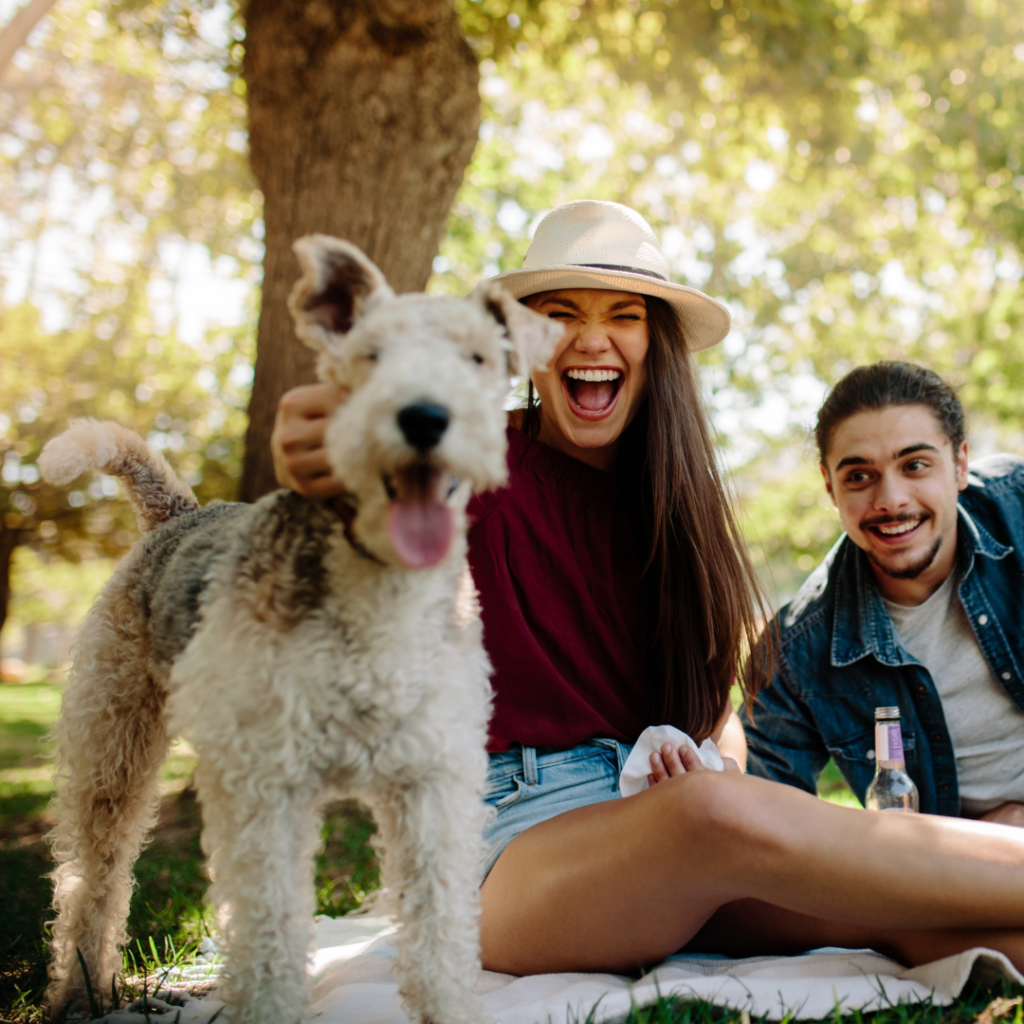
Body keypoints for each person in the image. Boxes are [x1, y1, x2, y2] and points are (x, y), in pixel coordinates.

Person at [272, 202, 1024, 976]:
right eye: (560, 314)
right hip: (500, 850)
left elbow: (715, 719)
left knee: (902, 920)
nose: (592, 338)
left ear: (654, 344)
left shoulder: (677, 505)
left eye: (622, 316)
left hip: (658, 829)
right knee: (710, 814)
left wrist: (704, 758)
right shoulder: (465, 451)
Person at [743, 362, 1024, 827]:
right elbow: (759, 815)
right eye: (859, 476)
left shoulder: (1017, 508)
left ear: (959, 464)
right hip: (962, 875)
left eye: (914, 465)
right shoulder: (796, 652)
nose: (890, 499)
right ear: (829, 486)